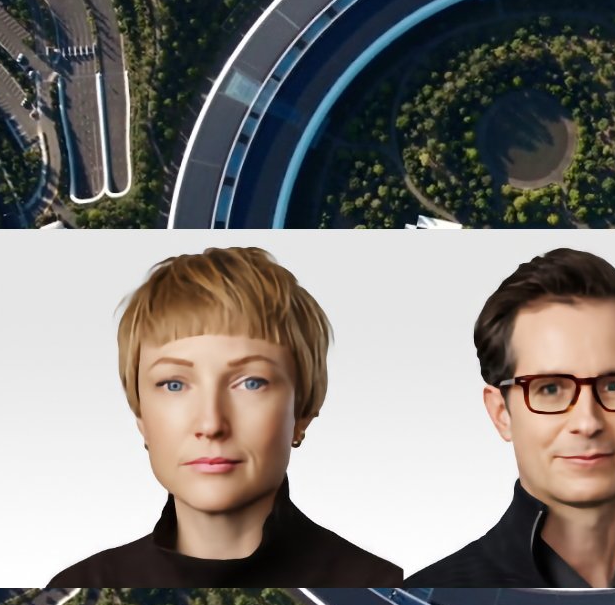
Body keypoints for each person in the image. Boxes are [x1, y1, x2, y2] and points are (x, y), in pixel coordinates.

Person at [48, 247, 402, 587]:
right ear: (141, 417)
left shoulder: (382, 583)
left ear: (302, 412)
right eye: (173, 384)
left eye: (251, 383)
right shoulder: (79, 584)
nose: (211, 424)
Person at [405, 247, 615, 587]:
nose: (588, 422)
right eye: (550, 389)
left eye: (614, 385)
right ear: (501, 413)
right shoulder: (421, 604)